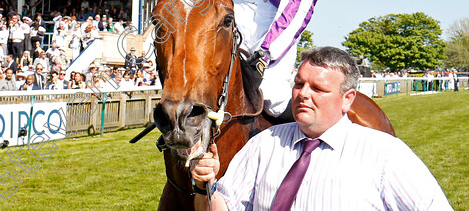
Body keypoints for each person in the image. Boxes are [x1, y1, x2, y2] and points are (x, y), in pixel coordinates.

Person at [190, 47, 452, 210]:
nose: (303, 94)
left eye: (318, 89)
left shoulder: (386, 154)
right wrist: (205, 185)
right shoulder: (264, 143)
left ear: (348, 99)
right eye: (299, 83)